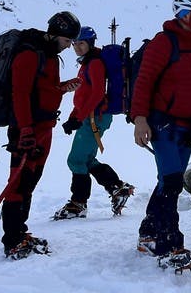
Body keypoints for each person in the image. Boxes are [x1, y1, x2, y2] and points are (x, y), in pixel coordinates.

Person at [131, 0, 191, 272]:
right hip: (163, 123)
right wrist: (140, 120)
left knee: (172, 179)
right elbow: (144, 82)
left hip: (189, 124)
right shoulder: (163, 42)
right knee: (170, 181)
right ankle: (170, 245)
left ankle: (149, 231)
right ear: (185, 14)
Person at [0, 11, 79, 259]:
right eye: (66, 41)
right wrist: (24, 131)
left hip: (44, 128)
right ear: (55, 33)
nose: (68, 47)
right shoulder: (28, 54)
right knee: (18, 183)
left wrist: (65, 87)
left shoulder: (50, 57)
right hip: (27, 130)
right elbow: (20, 94)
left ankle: (20, 232)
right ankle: (11, 240)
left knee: (30, 182)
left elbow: (46, 91)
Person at [53, 26, 135, 220]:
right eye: (74, 44)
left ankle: (78, 204)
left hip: (94, 117)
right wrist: (73, 117)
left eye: (81, 43)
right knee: (87, 160)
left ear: (90, 43)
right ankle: (117, 188)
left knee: (75, 160)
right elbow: (83, 96)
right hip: (90, 116)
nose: (77, 47)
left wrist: (78, 118)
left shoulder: (95, 64)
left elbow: (97, 94)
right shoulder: (87, 64)